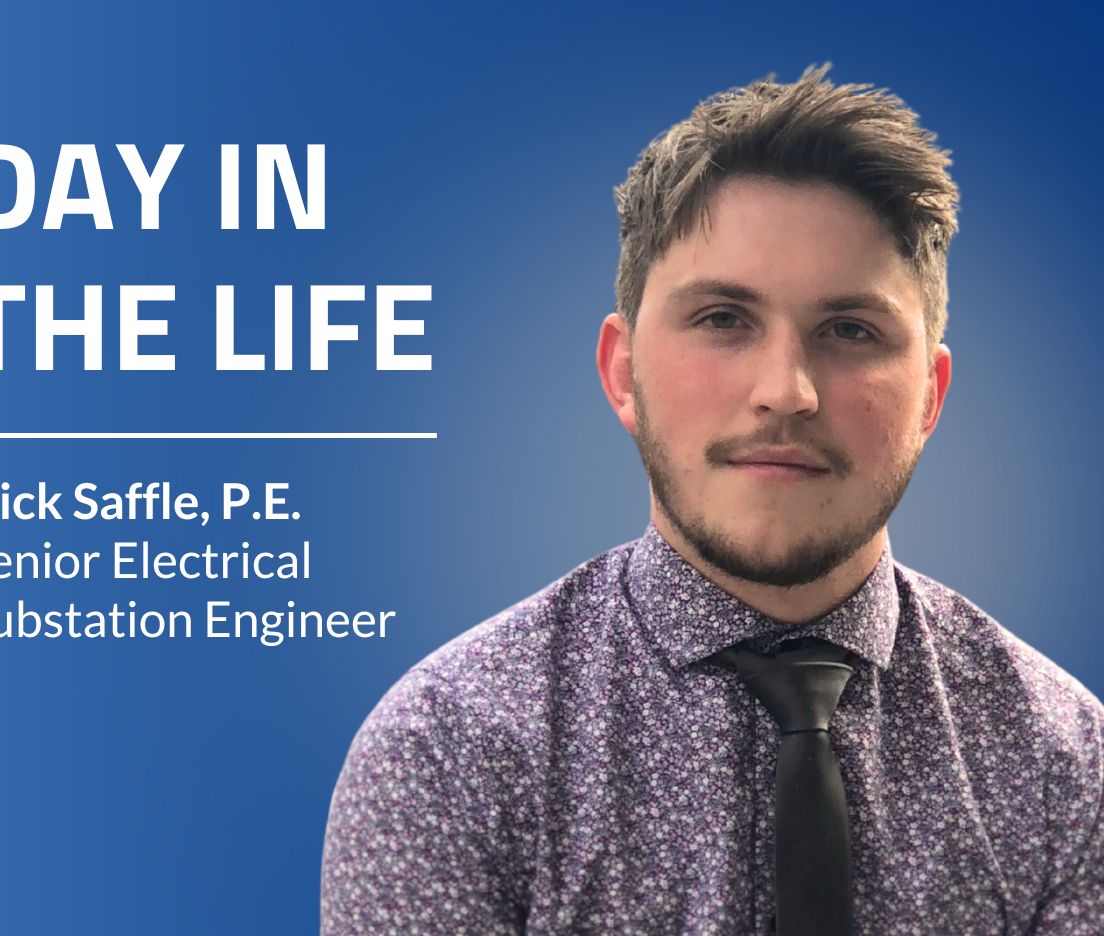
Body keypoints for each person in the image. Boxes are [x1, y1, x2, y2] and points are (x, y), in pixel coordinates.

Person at [320, 65, 1103, 934]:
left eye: (851, 330)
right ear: (623, 372)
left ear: (930, 395)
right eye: (724, 318)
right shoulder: (448, 750)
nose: (786, 390)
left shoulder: (1066, 764)